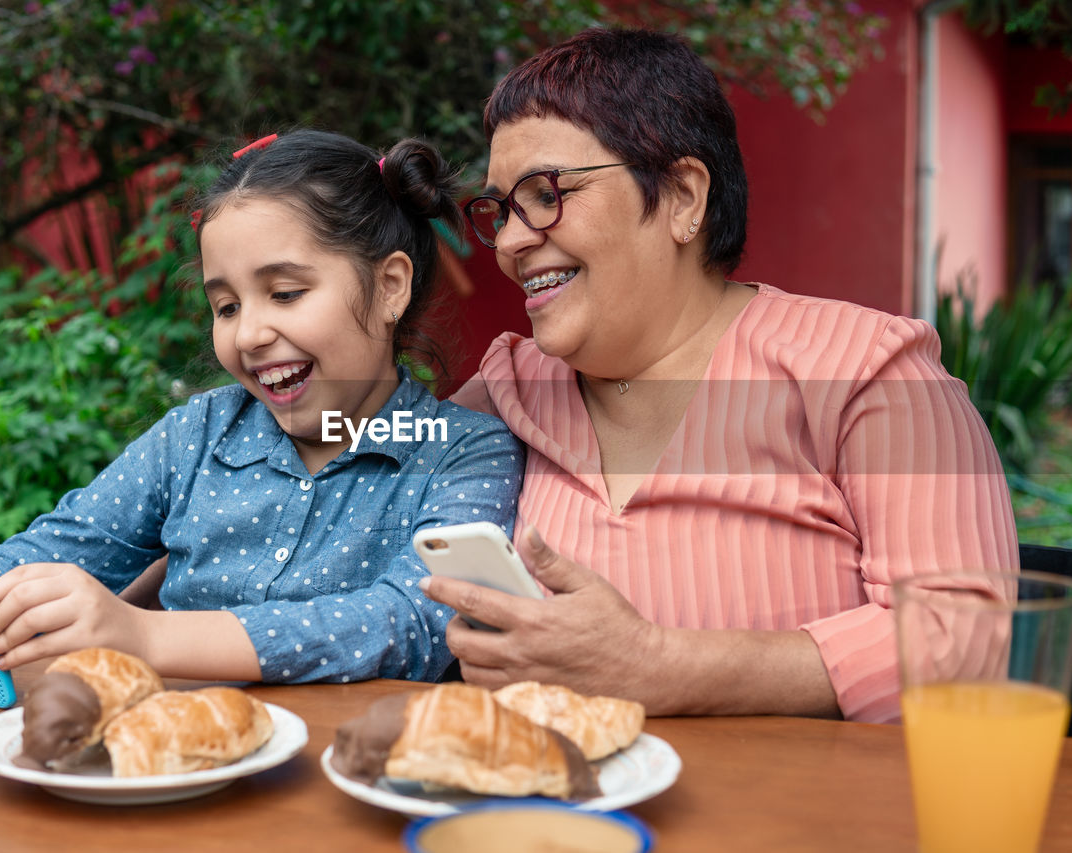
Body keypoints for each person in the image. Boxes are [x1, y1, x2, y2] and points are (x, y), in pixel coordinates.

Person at [420, 28, 1018, 723]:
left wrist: (661, 665)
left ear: (681, 196)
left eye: (545, 193)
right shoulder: (508, 389)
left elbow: (969, 639)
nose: (514, 240)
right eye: (500, 210)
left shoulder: (868, 372)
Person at [0, 129, 523, 684]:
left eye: (287, 292)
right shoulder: (195, 434)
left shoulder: (464, 452)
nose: (248, 333)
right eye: (227, 306)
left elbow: (411, 620)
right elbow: (65, 545)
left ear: (389, 287)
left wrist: (149, 636)